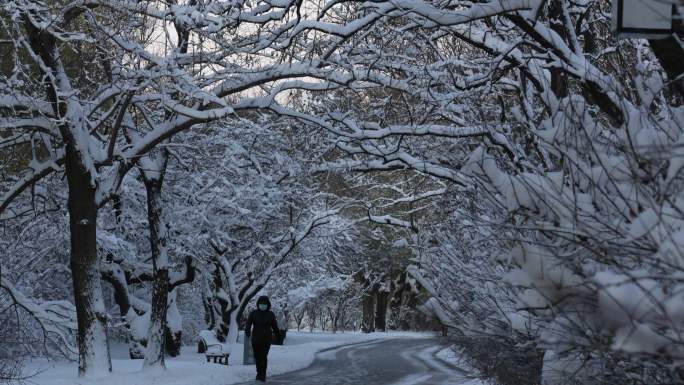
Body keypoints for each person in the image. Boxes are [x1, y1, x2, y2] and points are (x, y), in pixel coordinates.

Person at [245, 296, 280, 382]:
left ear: (268, 304)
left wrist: (278, 335)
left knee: (263, 357)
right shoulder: (253, 313)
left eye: (264, 303)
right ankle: (258, 373)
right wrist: (247, 330)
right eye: (261, 303)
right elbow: (249, 323)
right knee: (257, 357)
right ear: (258, 304)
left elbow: (274, 326)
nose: (263, 305)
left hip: (266, 339)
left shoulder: (271, 314)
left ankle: (262, 374)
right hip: (256, 339)